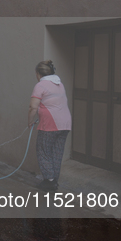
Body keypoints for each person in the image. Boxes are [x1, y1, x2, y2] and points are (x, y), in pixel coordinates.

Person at [28, 60, 72, 192]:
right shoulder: (60, 84)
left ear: (38, 73)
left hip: (50, 124)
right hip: (65, 124)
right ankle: (54, 180)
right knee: (56, 153)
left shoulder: (41, 85)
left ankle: (49, 181)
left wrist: (30, 121)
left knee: (43, 151)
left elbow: (32, 107)